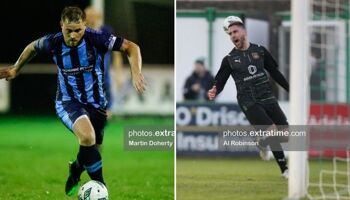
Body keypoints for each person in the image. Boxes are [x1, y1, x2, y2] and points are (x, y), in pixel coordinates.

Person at [0, 6, 146, 195]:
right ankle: (101, 188)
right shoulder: (53, 42)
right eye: (69, 30)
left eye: (78, 30)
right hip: (68, 102)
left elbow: (132, 47)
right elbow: (32, 47)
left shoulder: (96, 38)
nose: (74, 35)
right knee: (87, 137)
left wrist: (136, 72)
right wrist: (16, 68)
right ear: (61, 26)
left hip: (97, 105)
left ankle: (76, 169)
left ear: (85, 25)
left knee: (93, 149)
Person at [207, 16, 289, 179]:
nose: (232, 36)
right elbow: (220, 81)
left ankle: (262, 141)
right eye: (230, 34)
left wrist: (290, 89)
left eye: (235, 31)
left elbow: (275, 73)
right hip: (248, 101)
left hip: (267, 96)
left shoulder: (260, 51)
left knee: (285, 134)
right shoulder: (229, 59)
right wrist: (214, 90)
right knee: (272, 131)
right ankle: (285, 170)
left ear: (244, 31)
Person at [85, 6, 125, 119]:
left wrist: (119, 74)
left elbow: (116, 53)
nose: (90, 19)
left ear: (98, 17)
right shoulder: (81, 33)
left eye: (93, 16)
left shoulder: (106, 31)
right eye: (88, 17)